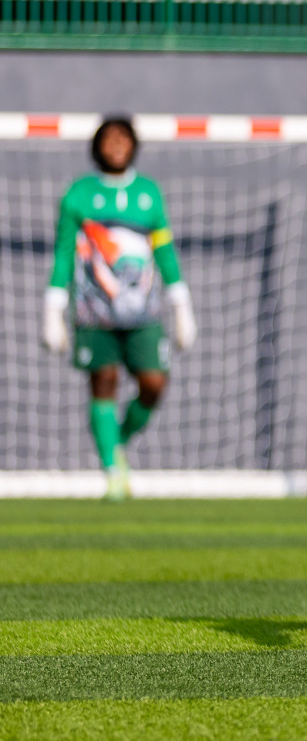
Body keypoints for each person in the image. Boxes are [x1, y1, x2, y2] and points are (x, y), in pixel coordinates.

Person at [41, 118, 197, 501]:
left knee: (154, 383)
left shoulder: (148, 194)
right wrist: (52, 305)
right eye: (109, 138)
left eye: (123, 138)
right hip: (94, 312)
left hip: (142, 312)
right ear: (98, 145)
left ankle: (118, 443)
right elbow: (64, 252)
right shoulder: (79, 194)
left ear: (133, 145)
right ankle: (113, 471)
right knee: (104, 383)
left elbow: (163, 248)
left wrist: (181, 302)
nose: (116, 145)